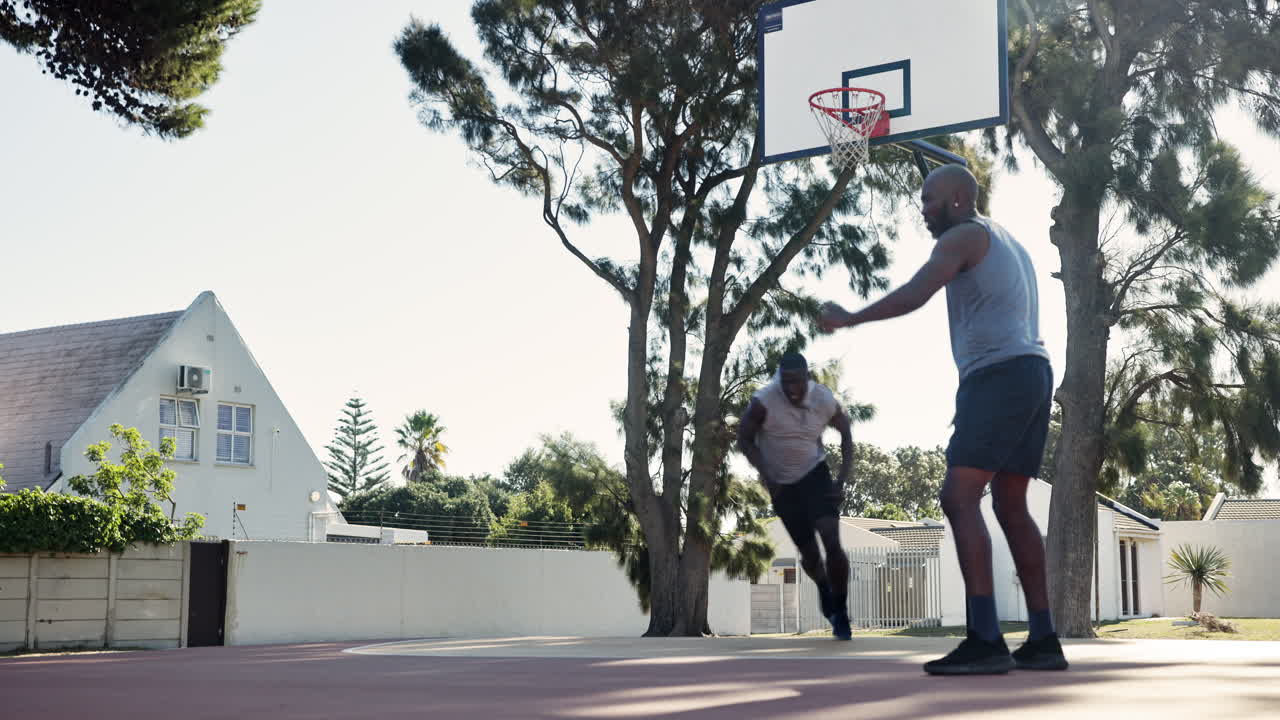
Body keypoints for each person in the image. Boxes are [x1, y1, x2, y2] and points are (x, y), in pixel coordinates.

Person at [819, 164, 1066, 674]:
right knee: (1010, 503)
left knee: (958, 496)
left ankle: (985, 639)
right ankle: (1043, 639)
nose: (923, 208)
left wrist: (851, 317)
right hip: (1032, 372)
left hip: (998, 375)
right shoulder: (1006, 240)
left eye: (929, 199)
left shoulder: (963, 237)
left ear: (957, 198)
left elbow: (918, 291)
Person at [738, 351, 855, 641]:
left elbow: (846, 433)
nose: (792, 389)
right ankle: (824, 587)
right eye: (786, 382)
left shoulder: (823, 400)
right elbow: (744, 438)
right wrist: (766, 473)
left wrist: (840, 480)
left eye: (797, 382)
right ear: (780, 380)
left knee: (832, 541)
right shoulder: (764, 401)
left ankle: (840, 611)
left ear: (807, 378)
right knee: (811, 557)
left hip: (815, 476)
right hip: (782, 486)